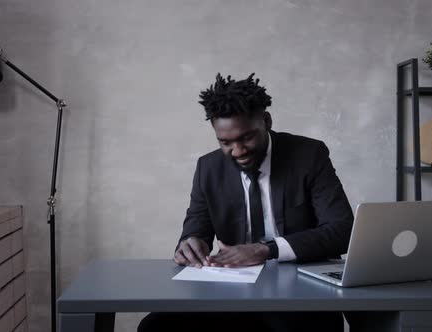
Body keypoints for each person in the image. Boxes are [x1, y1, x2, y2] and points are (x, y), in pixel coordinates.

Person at [138, 73, 354, 332]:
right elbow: (197, 227)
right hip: (233, 293)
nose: (237, 151)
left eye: (246, 138)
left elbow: (342, 230)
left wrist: (267, 250)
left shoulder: (309, 155)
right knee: (155, 326)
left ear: (266, 121)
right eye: (225, 142)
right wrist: (191, 244)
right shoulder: (208, 168)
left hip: (301, 292)